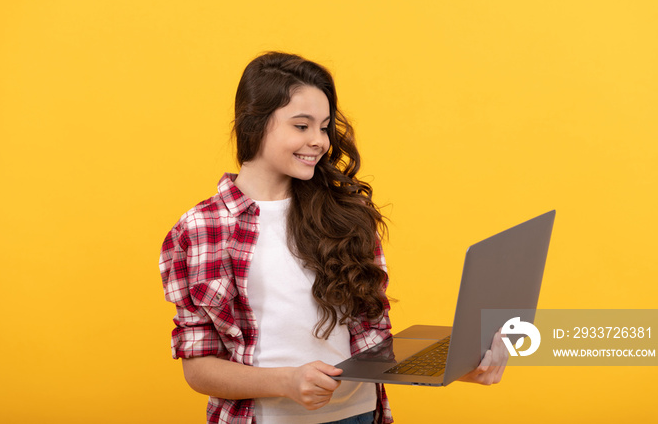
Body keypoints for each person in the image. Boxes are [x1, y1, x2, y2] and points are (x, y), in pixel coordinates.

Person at [159, 52, 508, 424]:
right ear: (254, 125)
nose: (319, 141)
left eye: (324, 127)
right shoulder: (199, 229)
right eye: (301, 125)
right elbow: (198, 368)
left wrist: (458, 363)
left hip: (359, 414)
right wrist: (287, 381)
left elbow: (374, 340)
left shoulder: (344, 214)